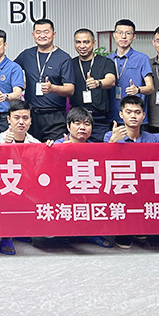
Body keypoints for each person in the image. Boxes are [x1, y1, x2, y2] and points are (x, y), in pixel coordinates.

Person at [48, 107, 115, 249]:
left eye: (87, 124)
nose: (82, 127)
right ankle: (63, 232)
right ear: (68, 126)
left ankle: (91, 233)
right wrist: (58, 153)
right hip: (64, 191)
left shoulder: (95, 149)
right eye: (77, 123)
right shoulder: (57, 145)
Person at [103, 95, 157, 249]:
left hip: (143, 182)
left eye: (137, 112)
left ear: (143, 115)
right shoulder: (111, 135)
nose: (133, 116)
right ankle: (122, 231)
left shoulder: (152, 138)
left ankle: (140, 226)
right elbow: (103, 163)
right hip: (121, 182)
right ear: (121, 115)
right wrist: (113, 142)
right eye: (129, 112)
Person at [0, 100, 39, 254]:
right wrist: (5, 149)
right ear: (9, 119)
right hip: (3, 188)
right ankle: (6, 237)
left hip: (27, 188)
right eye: (17, 118)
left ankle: (20, 230)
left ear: (31, 121)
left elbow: (38, 171)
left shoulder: (36, 144)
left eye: (25, 118)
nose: (21, 122)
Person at [14, 18, 75, 142]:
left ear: (54, 34)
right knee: (31, 151)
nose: (42, 35)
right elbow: (12, 70)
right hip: (30, 116)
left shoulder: (64, 58)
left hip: (55, 116)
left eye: (46, 32)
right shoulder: (26, 54)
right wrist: (20, 85)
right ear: (33, 35)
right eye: (38, 32)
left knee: (54, 150)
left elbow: (70, 89)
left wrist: (52, 88)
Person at [69, 29, 116, 142]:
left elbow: (111, 80)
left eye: (86, 42)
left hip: (99, 118)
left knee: (99, 150)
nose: (82, 46)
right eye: (78, 42)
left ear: (94, 43)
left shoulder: (105, 62)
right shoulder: (70, 63)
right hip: (77, 118)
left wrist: (98, 83)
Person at [107, 19, 154, 118]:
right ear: (114, 35)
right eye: (119, 33)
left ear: (134, 37)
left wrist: (138, 90)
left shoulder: (142, 58)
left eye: (128, 33)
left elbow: (150, 88)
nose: (123, 36)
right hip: (112, 116)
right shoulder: (107, 60)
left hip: (135, 117)